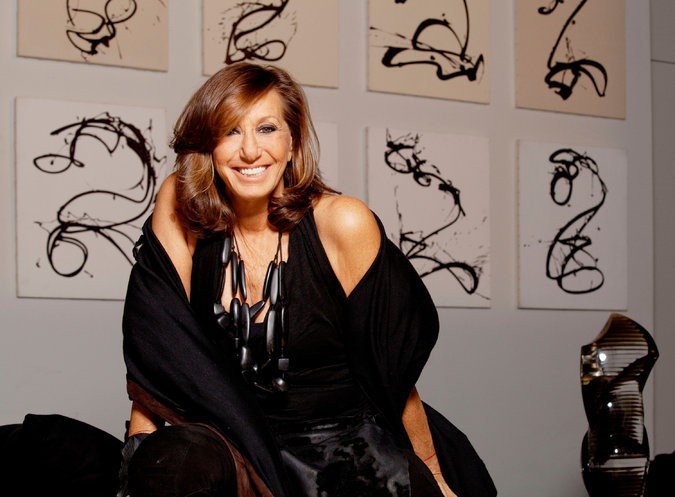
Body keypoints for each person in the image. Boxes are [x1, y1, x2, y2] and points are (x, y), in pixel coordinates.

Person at [121, 62, 495, 497]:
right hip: (233, 434)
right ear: (209, 143)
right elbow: (160, 349)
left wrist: (432, 469)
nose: (249, 151)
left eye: (266, 129)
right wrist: (141, 460)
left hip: (339, 439)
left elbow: (391, 370)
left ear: (292, 141)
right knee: (174, 460)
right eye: (230, 131)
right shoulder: (181, 202)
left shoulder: (344, 222)